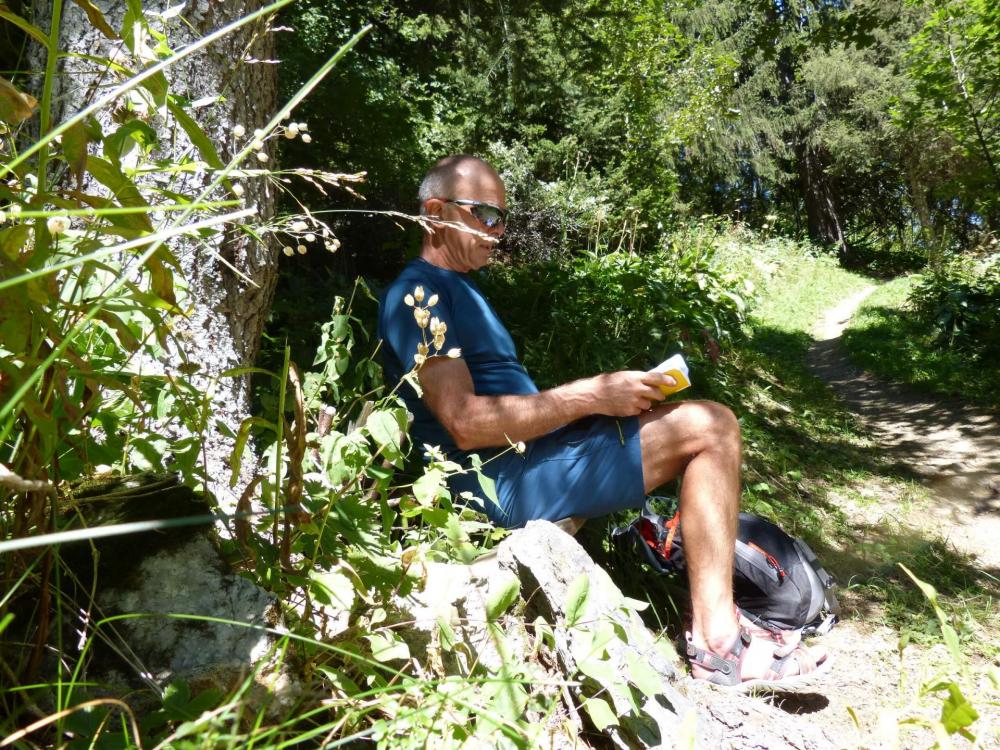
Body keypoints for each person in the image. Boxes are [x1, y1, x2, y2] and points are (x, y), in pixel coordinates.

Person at [378, 154, 829, 690]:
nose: (499, 232)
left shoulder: (461, 289)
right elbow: (466, 423)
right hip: (491, 483)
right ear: (435, 212)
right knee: (711, 426)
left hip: (531, 459)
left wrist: (605, 401)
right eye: (486, 216)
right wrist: (591, 396)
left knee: (700, 420)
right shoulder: (417, 294)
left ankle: (720, 624)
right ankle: (718, 645)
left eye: (503, 218)